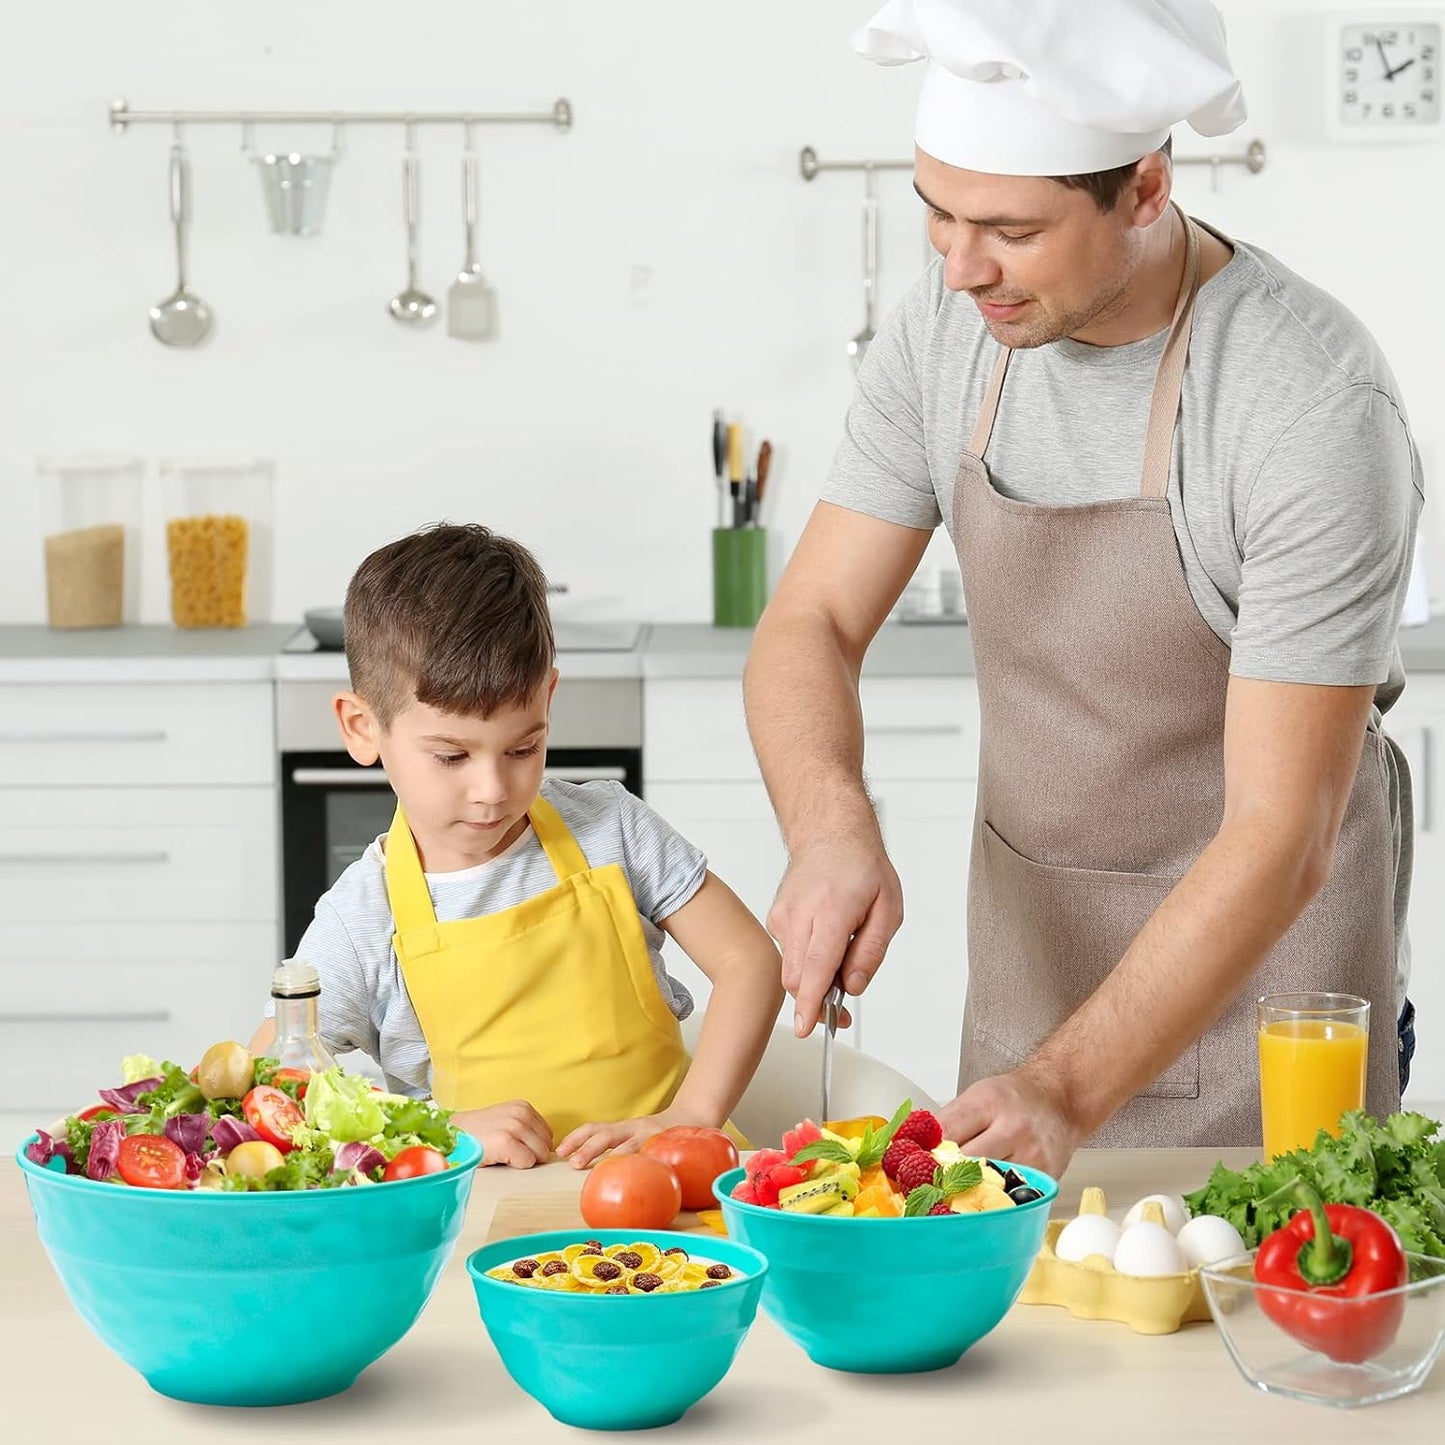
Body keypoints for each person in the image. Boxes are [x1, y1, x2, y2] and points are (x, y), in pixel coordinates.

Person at [744, 0, 1422, 1176]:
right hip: (1033, 990)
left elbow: (1281, 832)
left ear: (1145, 189)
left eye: (1006, 227)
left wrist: (1066, 1084)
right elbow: (809, 619)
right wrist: (829, 822)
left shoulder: (1305, 406)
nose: (959, 269)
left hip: (1271, 1015)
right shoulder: (945, 336)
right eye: (936, 216)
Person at [251, 523, 782, 1168]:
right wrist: (439, 1131)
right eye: (451, 756)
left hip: (669, 1190)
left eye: (523, 748)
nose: (492, 790)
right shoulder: (364, 916)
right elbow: (272, 1086)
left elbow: (750, 961)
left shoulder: (611, 828)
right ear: (363, 728)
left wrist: (690, 1117)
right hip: (487, 1220)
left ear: (549, 698)